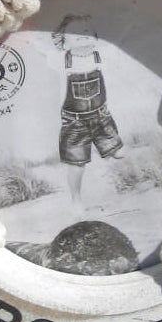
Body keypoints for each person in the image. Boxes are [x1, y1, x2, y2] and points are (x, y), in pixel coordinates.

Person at [52, 13, 124, 210]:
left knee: (119, 153)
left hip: (101, 117)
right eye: (74, 32)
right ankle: (76, 198)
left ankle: (106, 157)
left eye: (86, 30)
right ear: (63, 41)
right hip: (74, 121)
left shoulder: (100, 57)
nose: (82, 34)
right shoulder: (61, 61)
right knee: (77, 166)